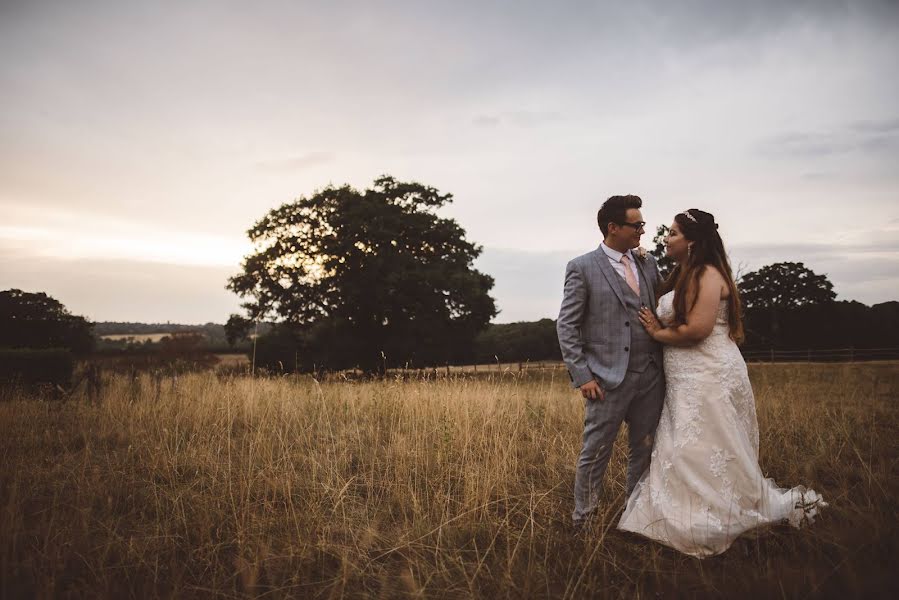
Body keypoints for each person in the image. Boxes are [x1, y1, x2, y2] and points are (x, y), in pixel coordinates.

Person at [617, 209, 826, 557]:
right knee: (681, 442)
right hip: (684, 375)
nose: (666, 238)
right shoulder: (681, 272)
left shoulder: (709, 275)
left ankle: (715, 512)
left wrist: (656, 331)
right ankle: (675, 510)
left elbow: (698, 330)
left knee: (701, 443)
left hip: (709, 371)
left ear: (692, 241)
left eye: (673, 233)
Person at [557, 195, 666, 528]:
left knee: (644, 449)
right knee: (595, 451)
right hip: (605, 379)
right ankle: (584, 521)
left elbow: (660, 307)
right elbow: (567, 325)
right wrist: (583, 375)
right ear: (613, 227)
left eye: (643, 224)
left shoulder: (647, 263)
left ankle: (635, 519)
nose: (642, 231)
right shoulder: (582, 267)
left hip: (650, 374)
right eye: (637, 225)